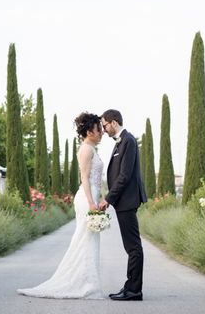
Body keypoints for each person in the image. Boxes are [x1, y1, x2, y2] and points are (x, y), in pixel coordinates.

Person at [17, 112, 105, 299]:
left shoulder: (91, 148)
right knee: (85, 240)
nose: (102, 132)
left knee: (89, 240)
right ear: (89, 131)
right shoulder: (86, 150)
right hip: (87, 199)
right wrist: (91, 203)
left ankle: (89, 283)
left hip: (93, 197)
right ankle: (86, 285)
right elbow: (84, 179)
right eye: (99, 129)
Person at [99, 109, 147, 301]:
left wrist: (108, 198)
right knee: (131, 246)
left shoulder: (128, 141)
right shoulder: (122, 141)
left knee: (133, 246)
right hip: (123, 202)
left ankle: (134, 290)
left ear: (114, 122)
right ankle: (130, 286)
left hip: (127, 201)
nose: (103, 129)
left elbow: (125, 175)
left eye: (104, 125)